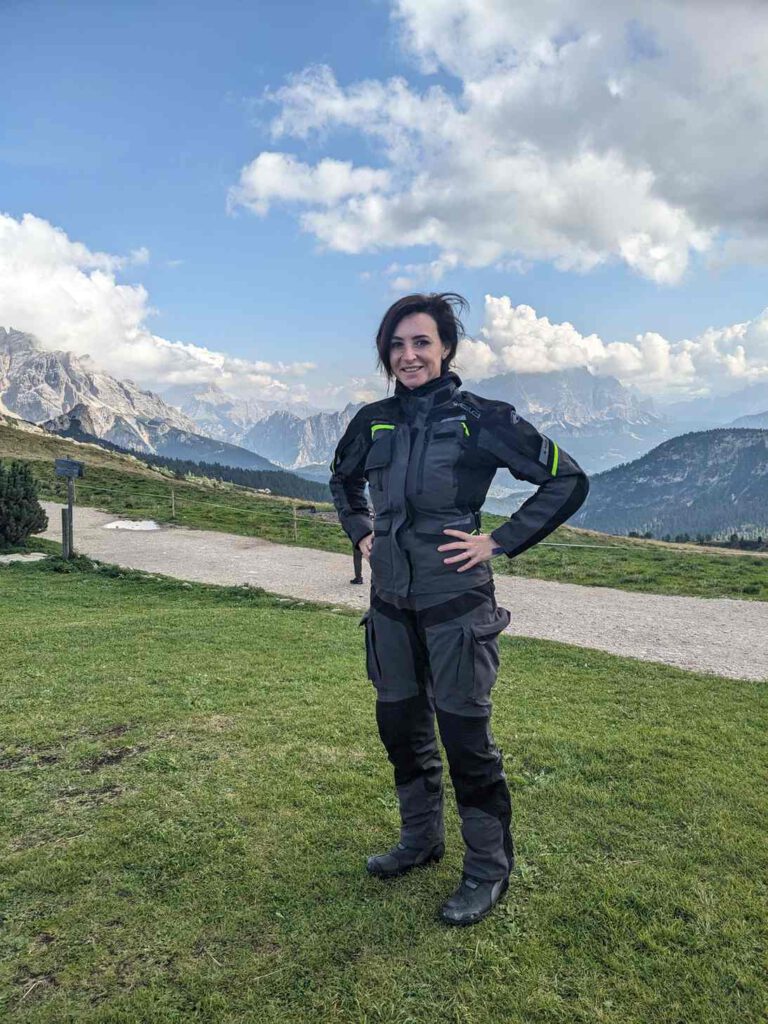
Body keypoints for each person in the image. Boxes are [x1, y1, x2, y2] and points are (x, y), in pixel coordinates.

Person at [329, 293, 589, 926]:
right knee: (400, 728)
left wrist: (498, 540)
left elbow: (568, 480)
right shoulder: (373, 420)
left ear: (446, 348)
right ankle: (421, 841)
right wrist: (360, 527)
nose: (408, 355)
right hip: (389, 605)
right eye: (397, 344)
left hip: (457, 607)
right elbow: (342, 479)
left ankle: (487, 870)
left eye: (421, 342)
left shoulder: (482, 419)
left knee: (466, 740)